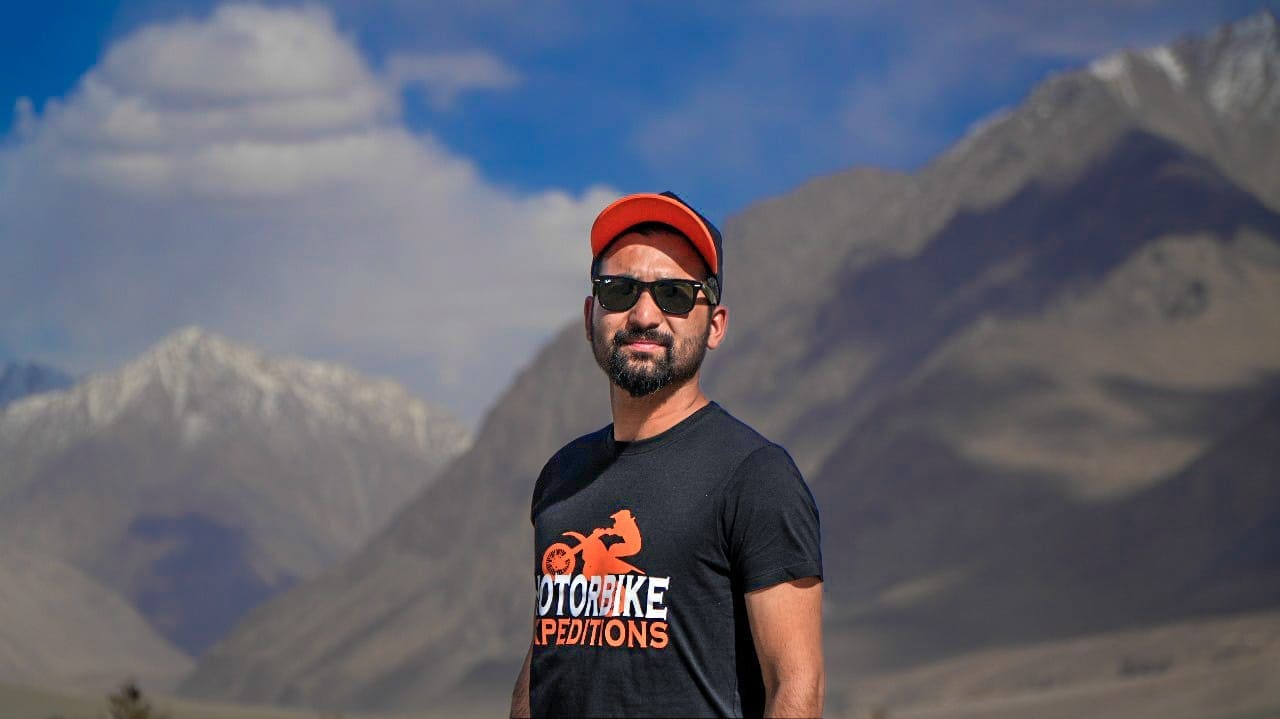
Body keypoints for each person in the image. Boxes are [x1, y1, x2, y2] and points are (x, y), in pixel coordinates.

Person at [510, 192, 824, 718]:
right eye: (619, 290)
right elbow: (549, 654)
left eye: (676, 294)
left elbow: (796, 686)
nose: (644, 314)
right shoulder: (562, 476)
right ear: (592, 314)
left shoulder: (755, 477)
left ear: (716, 324)